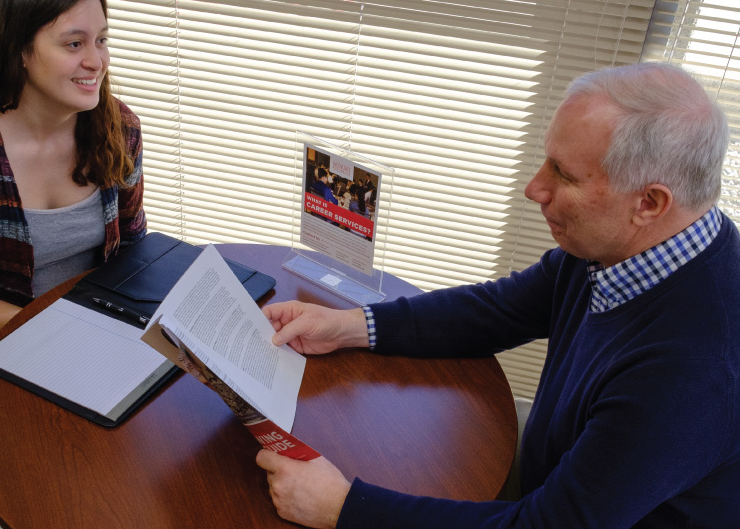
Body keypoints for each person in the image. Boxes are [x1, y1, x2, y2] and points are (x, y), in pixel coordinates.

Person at [256, 62, 740, 528]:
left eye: (564, 176)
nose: (535, 188)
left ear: (649, 203)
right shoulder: (620, 246)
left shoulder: (693, 374)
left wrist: (343, 508)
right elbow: (499, 310)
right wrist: (349, 326)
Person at [0, 0, 146, 384]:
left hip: (100, 329)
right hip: (0, 345)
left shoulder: (118, 127)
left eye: (101, 40)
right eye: (74, 44)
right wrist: (68, 331)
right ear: (19, 51)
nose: (96, 62)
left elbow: (132, 244)